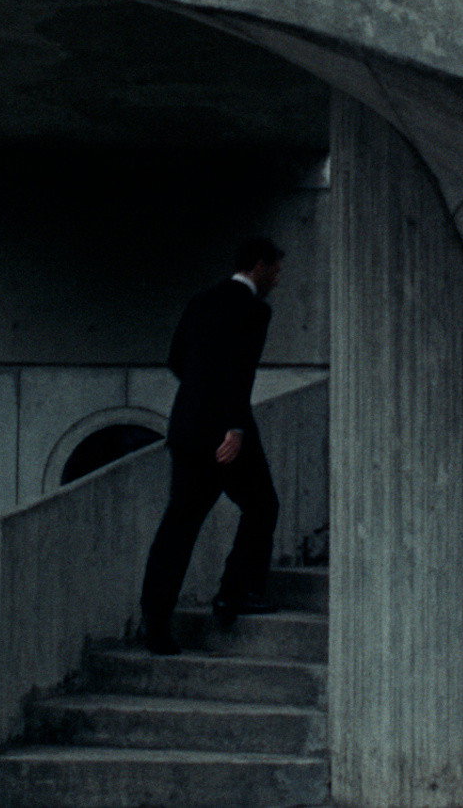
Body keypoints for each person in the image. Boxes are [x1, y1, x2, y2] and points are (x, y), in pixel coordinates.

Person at [138, 236, 285, 656]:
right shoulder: (254, 310)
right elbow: (241, 370)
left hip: (187, 427)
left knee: (178, 526)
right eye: (275, 271)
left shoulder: (201, 300)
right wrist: (233, 425)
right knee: (262, 506)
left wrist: (202, 397)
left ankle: (156, 624)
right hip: (226, 433)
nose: (277, 280)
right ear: (259, 266)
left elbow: (177, 360)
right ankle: (236, 593)